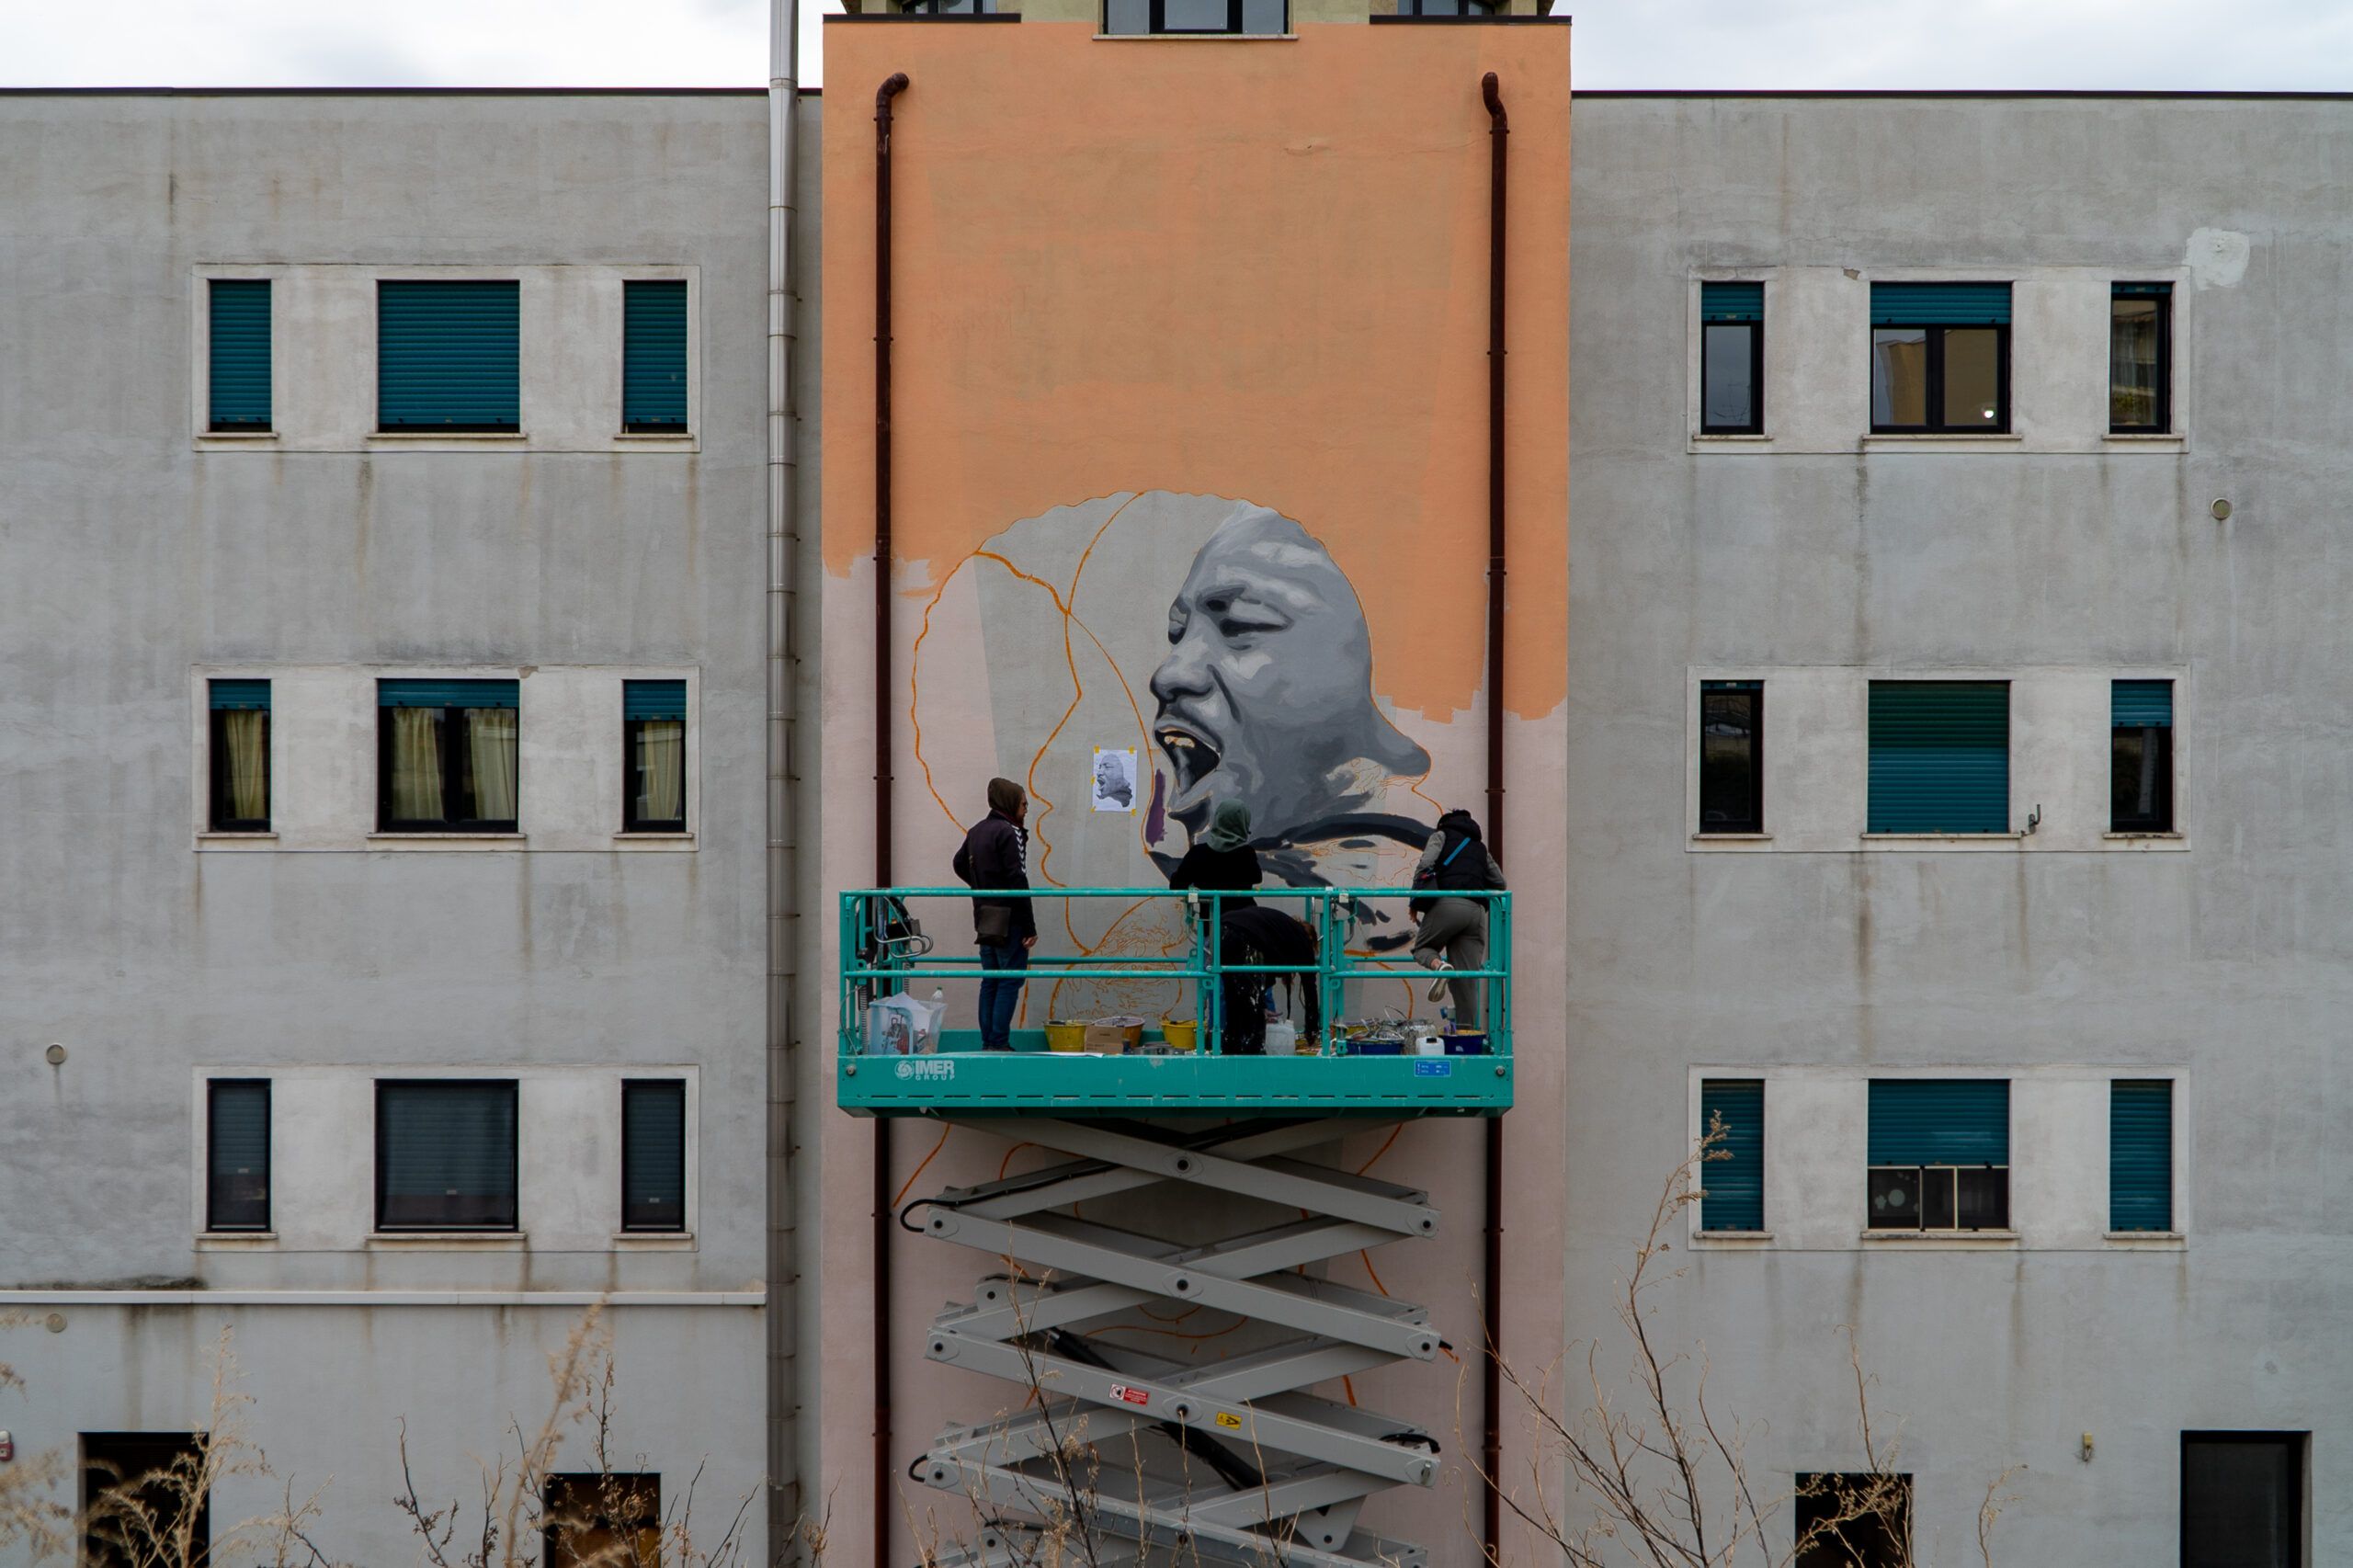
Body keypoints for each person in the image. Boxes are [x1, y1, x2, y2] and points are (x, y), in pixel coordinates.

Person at [1147, 504, 1432, 900]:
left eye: (1240, 623)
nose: (1168, 675)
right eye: (1177, 633)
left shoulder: (1395, 863)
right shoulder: (1250, 857)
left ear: (1346, 662)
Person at [952, 778, 1037, 1051]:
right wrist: (1029, 926)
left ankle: (989, 1042)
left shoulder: (977, 830)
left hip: (985, 916)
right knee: (1010, 980)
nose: (1026, 809)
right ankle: (999, 1042)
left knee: (990, 980)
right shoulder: (1010, 830)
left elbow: (959, 863)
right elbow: (1017, 879)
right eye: (1024, 803)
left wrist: (983, 888)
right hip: (1009, 917)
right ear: (1010, 803)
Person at [1409, 807, 1506, 1028]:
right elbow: (1500, 883)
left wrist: (1415, 901)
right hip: (1477, 913)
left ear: (1445, 822)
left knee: (1422, 949)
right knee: (1466, 983)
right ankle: (1467, 1038)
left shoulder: (1441, 835)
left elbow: (1425, 865)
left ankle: (1439, 966)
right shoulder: (1480, 848)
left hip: (1448, 904)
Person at [1166, 800, 1261, 912]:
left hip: (1211, 921)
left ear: (1218, 819)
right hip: (1242, 921)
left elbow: (1176, 884)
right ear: (1243, 823)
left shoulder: (1198, 853)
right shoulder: (1246, 853)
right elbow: (1257, 878)